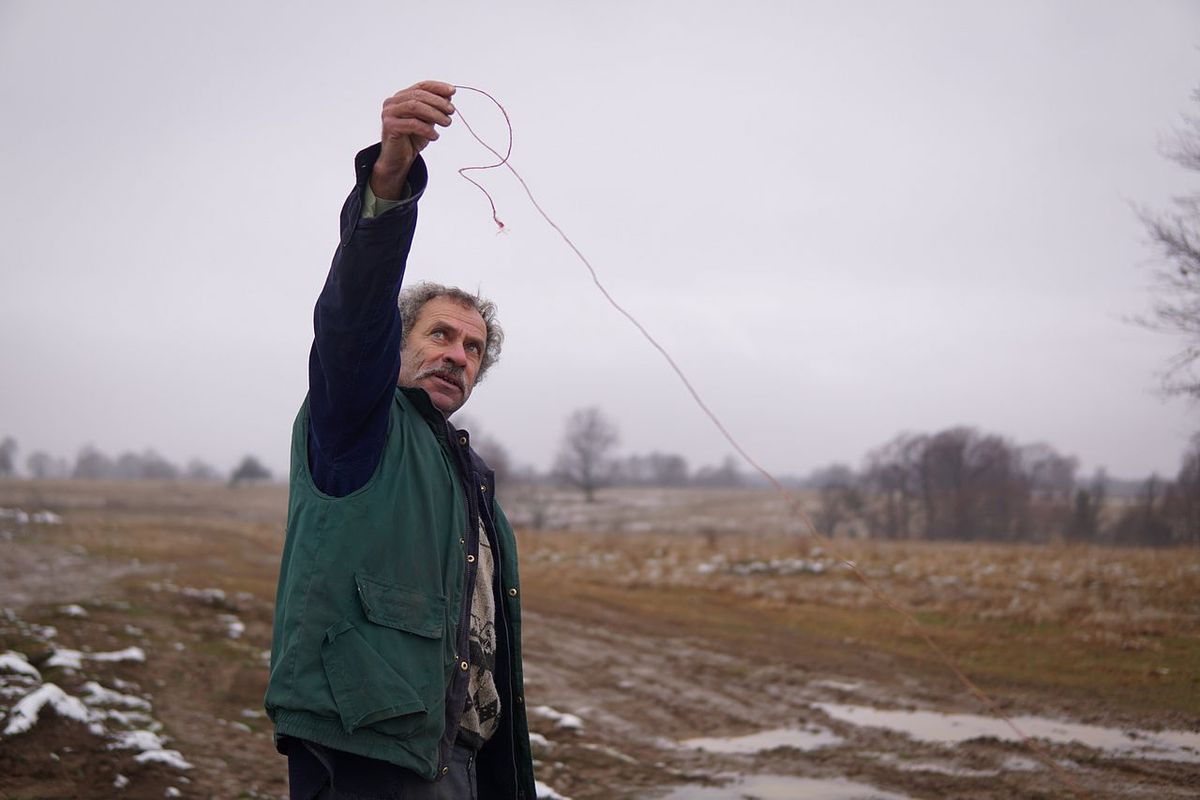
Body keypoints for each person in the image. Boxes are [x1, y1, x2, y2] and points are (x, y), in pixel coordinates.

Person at [265, 80, 537, 800]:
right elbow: (354, 318)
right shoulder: (358, 419)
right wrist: (389, 184)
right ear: (397, 345)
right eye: (439, 334)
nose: (457, 355)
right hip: (370, 748)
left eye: (473, 348)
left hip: (455, 754)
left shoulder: (469, 471)